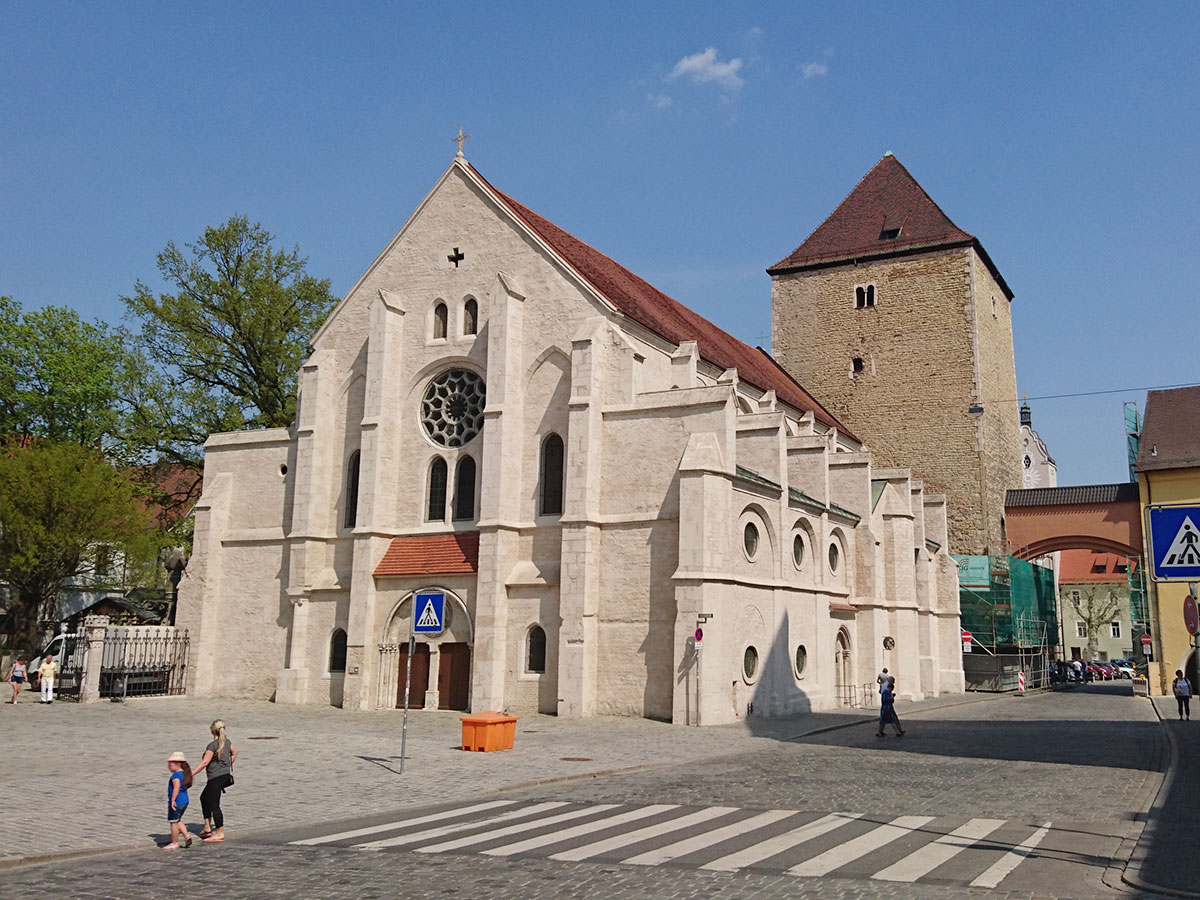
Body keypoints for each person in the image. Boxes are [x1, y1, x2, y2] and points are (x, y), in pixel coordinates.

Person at [197, 719, 237, 843]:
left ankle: (219, 832)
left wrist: (192, 773)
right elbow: (235, 752)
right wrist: (227, 764)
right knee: (204, 797)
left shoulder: (212, 746)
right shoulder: (227, 742)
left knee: (214, 804)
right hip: (223, 776)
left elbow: (205, 762)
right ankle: (207, 827)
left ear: (212, 730)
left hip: (215, 778)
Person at [163, 751, 193, 850]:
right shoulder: (184, 774)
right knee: (178, 819)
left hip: (178, 801)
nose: (169, 767)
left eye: (170, 764)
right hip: (185, 800)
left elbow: (176, 788)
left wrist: (172, 800)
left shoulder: (175, 776)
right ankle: (186, 836)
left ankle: (174, 842)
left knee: (173, 822)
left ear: (177, 763)